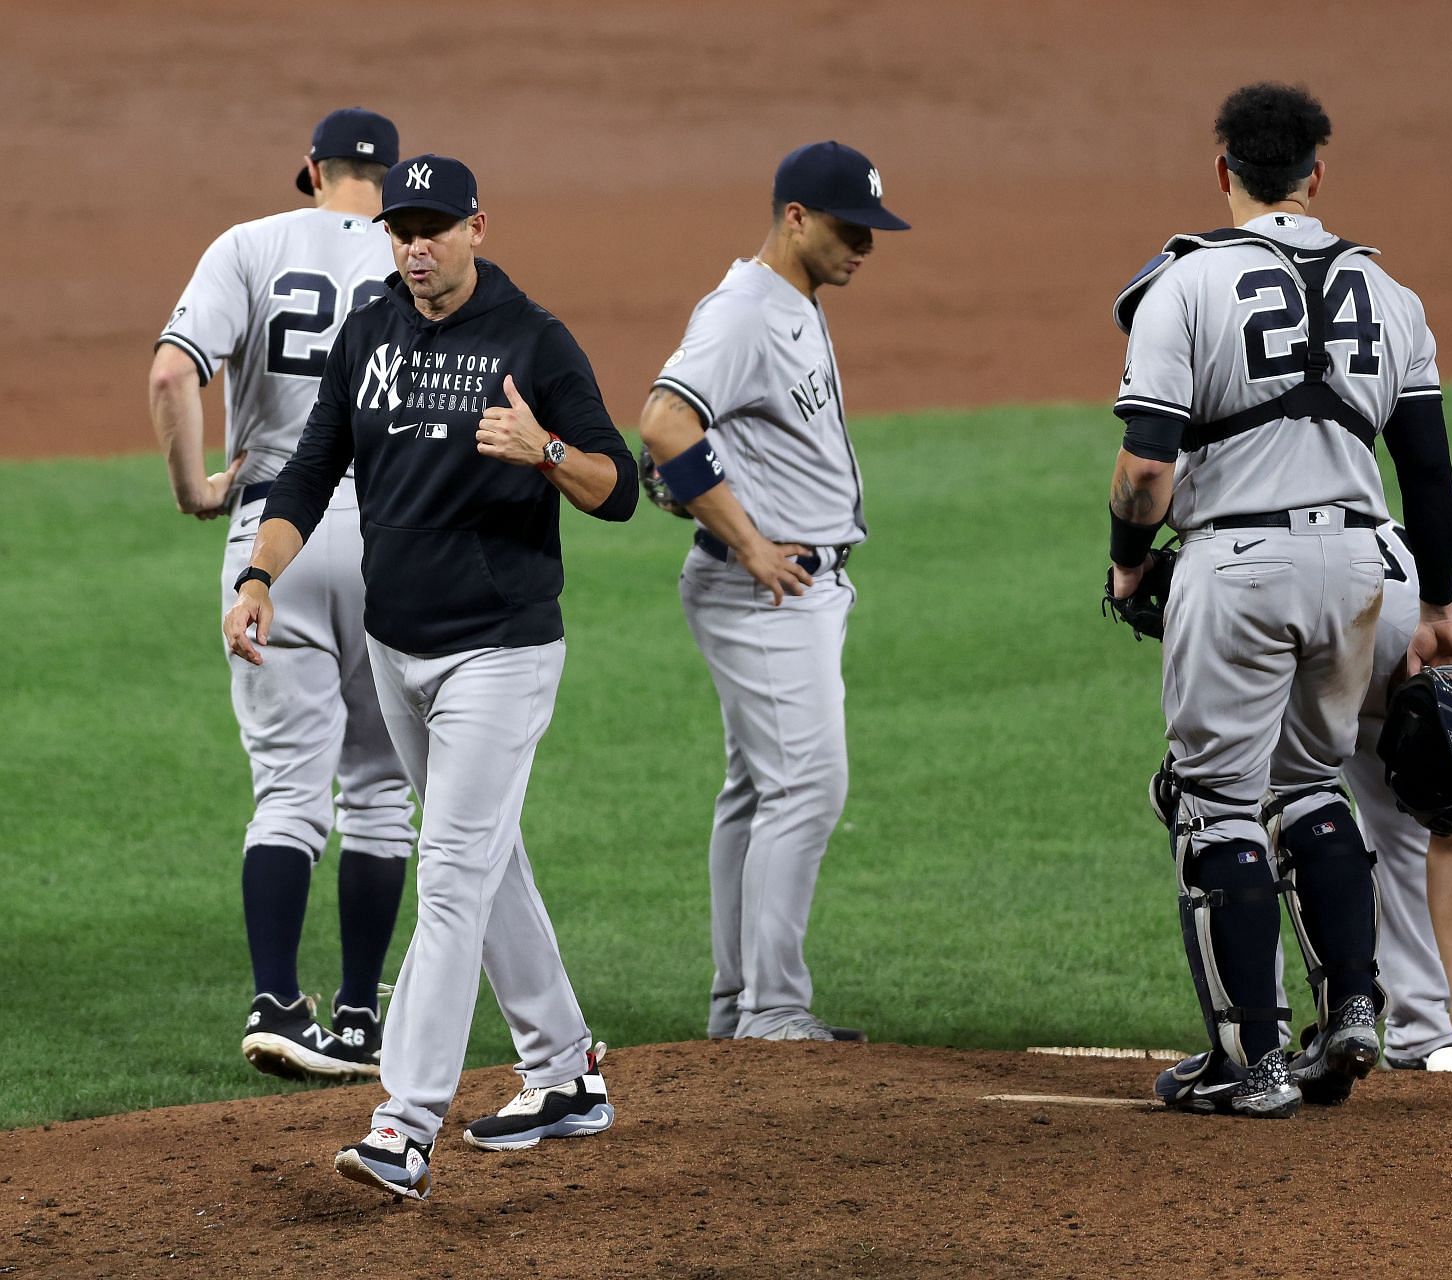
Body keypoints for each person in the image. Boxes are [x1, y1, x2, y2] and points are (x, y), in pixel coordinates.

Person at [223, 153, 640, 1199]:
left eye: (434, 227)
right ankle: (564, 1067)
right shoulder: (369, 329)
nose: (414, 245)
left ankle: (403, 1125)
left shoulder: (533, 339)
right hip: (395, 648)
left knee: (449, 874)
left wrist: (543, 449)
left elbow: (618, 485)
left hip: (500, 647)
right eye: (402, 226)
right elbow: (312, 464)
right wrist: (258, 571)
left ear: (476, 229)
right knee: (487, 861)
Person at [1108, 83, 1452, 1118]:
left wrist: (1129, 561)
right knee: (1311, 783)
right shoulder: (1388, 295)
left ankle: (1245, 1061)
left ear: (1225, 172)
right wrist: (1437, 603)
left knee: (1213, 802)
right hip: (1370, 571)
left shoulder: (1185, 285)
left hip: (1243, 565)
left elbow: (1145, 470)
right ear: (1318, 175)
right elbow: (1430, 475)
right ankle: (1354, 1006)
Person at [150, 107, 415, 1082]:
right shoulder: (413, 260)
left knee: (288, 793)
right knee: (382, 791)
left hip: (276, 535)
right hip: (395, 537)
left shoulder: (248, 245)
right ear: (387, 179)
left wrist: (194, 488)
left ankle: (275, 1003)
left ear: (312, 169)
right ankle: (356, 1018)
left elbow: (174, 370)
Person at [638, 141, 908, 1043]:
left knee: (758, 792)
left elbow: (685, 454)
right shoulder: (746, 311)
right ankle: (773, 1011)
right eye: (847, 228)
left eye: (871, 230)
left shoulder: (792, 299)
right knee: (809, 787)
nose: (864, 246)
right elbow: (664, 423)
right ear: (794, 217)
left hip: (786, 589)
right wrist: (749, 542)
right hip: (767, 591)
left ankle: (737, 1007)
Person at [1322, 523, 1452, 1079]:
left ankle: (1424, 1027)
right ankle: (1263, 1032)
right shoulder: (1361, 642)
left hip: (1386, 668)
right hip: (1314, 643)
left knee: (1409, 828)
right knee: (1279, 814)